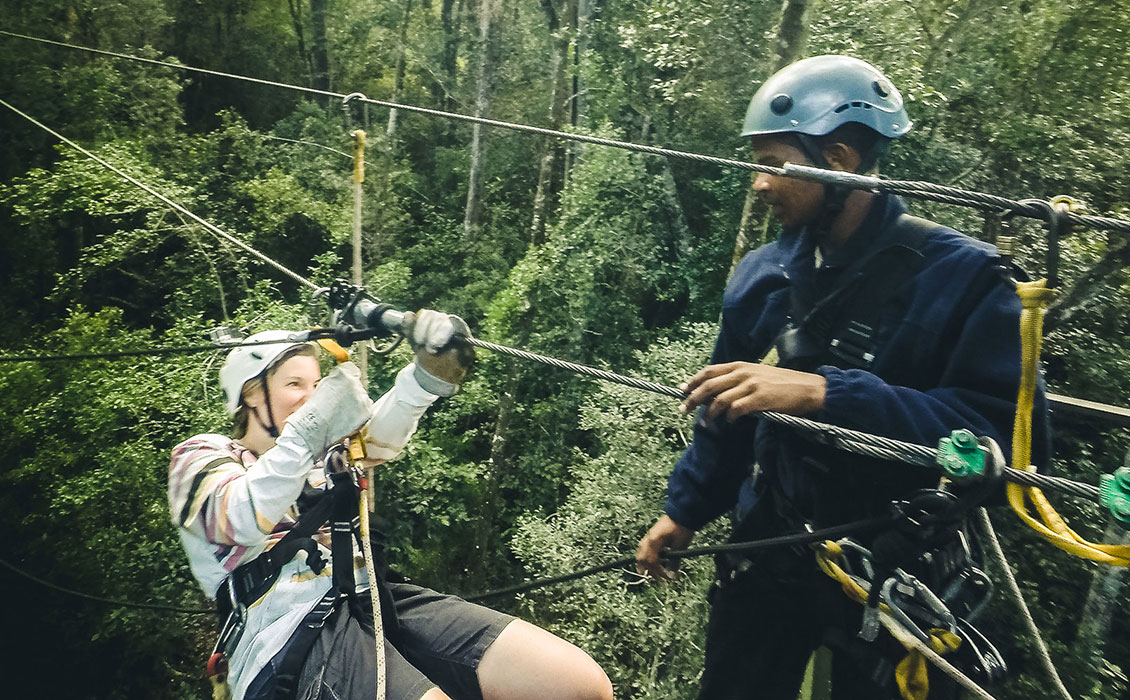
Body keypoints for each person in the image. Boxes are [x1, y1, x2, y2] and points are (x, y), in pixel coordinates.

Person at [635, 55, 1050, 699]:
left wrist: (827, 393)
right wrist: (684, 511)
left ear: (840, 158)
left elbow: (1012, 448)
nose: (758, 185)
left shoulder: (965, 280)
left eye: (773, 164)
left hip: (899, 562)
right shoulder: (762, 276)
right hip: (776, 538)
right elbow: (728, 412)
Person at [169, 311, 614, 700]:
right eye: (294, 385)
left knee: (577, 686)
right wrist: (310, 430)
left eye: (317, 385)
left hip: (372, 600)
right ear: (251, 394)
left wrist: (426, 378)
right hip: (283, 633)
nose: (312, 396)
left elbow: (376, 435)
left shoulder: (320, 453)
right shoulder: (202, 456)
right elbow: (238, 516)